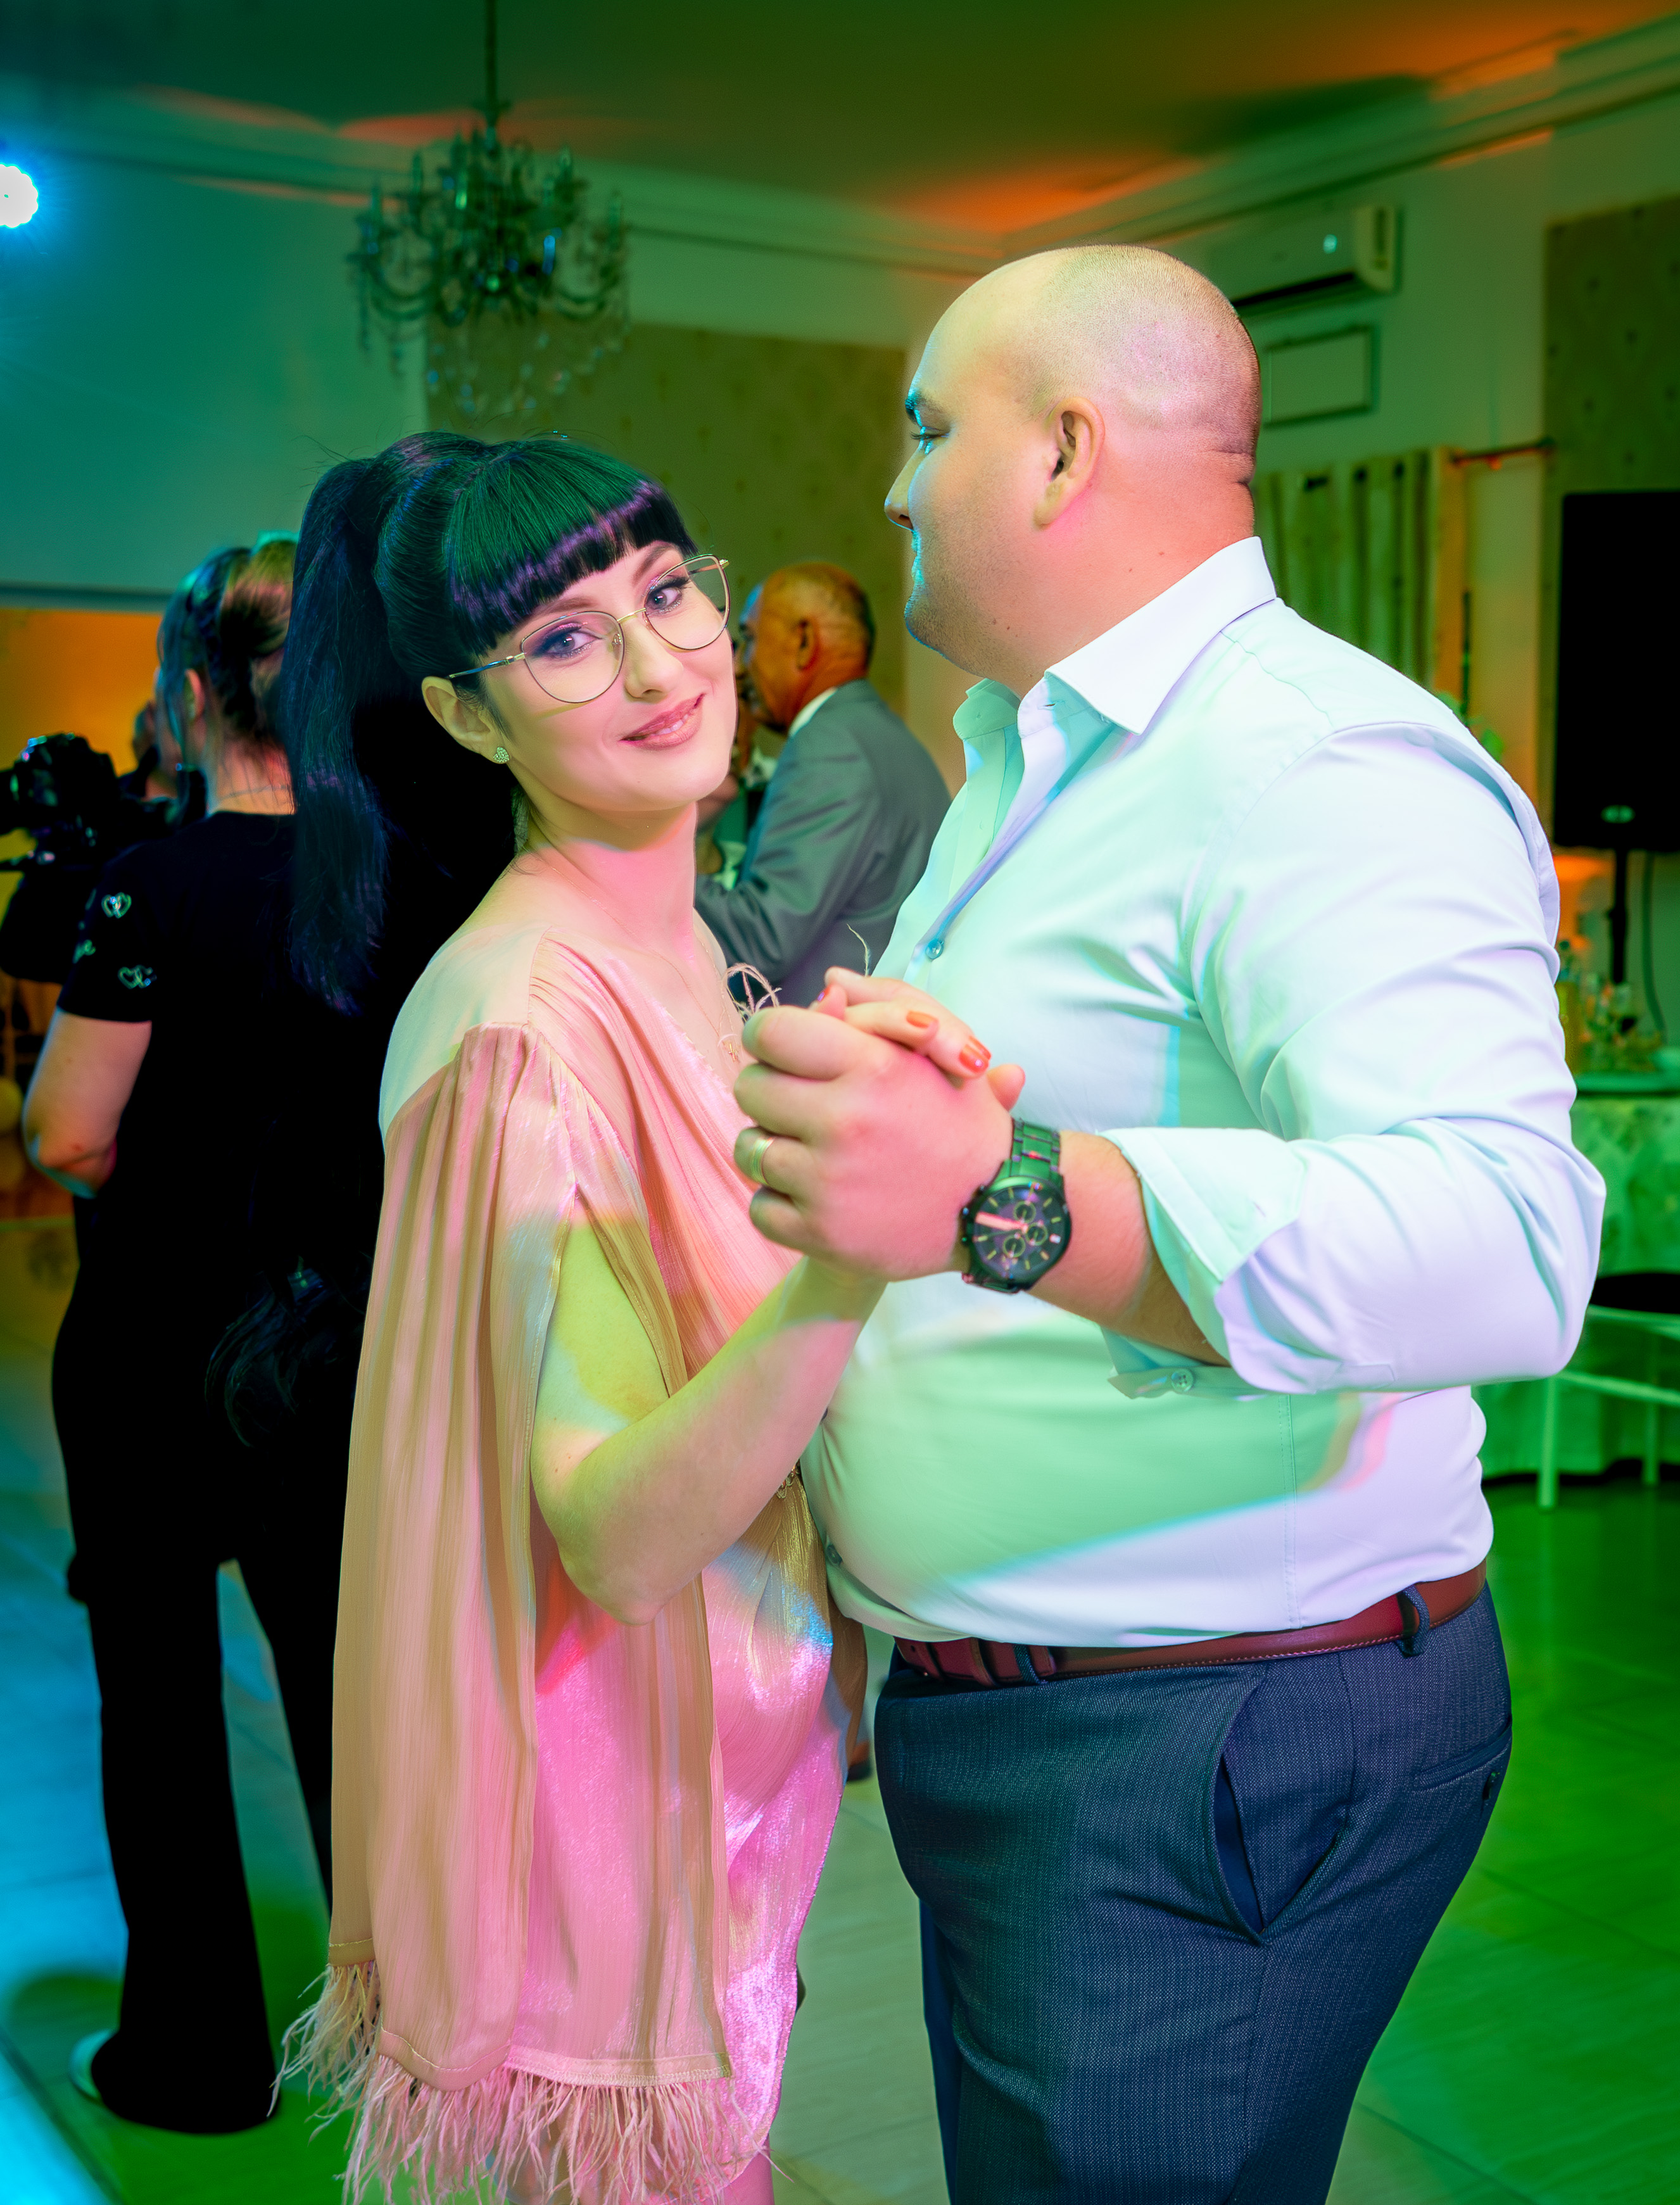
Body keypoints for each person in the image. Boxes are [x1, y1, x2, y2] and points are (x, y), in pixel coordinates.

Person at [730, 246, 1605, 2202]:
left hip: (1195, 1738)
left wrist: (996, 1189)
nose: (893, 487)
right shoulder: (1026, 755)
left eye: (927, 429)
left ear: (1062, 451)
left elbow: (1503, 1237)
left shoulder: (1304, 756)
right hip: (1069, 1716)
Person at [277, 433, 973, 2205]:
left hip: (732, 1764)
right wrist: (848, 1253)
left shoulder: (686, 953)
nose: (663, 664)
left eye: (668, 593)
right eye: (568, 639)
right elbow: (614, 1528)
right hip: (610, 1820)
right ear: (467, 714)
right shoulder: (522, 1028)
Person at [22, 534, 353, 2135]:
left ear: (195, 696)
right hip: (332, 1341)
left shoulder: (149, 885)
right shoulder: (401, 884)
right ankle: (409, 2036)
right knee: (350, 1693)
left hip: (158, 1345)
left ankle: (199, 2055)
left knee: (158, 1699)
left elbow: (67, 1133)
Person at [694, 563, 948, 1004]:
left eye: (749, 640)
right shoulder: (885, 739)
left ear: (804, 642)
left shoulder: (829, 746)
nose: (739, 669)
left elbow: (760, 940)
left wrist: (639, 864)